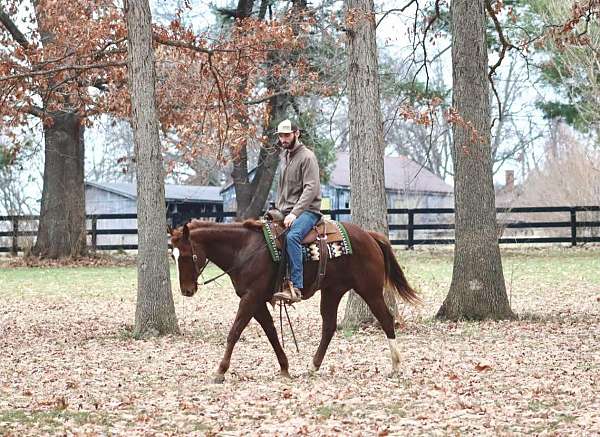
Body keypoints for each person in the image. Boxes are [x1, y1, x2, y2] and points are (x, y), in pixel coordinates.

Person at [271, 119, 322, 303]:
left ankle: (296, 287)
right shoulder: (283, 156)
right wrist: (277, 208)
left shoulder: (307, 157)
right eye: (281, 136)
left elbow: (311, 188)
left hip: (307, 210)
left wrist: (295, 213)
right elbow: (281, 187)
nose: (283, 139)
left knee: (292, 237)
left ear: (296, 133)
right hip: (284, 209)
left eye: (287, 135)